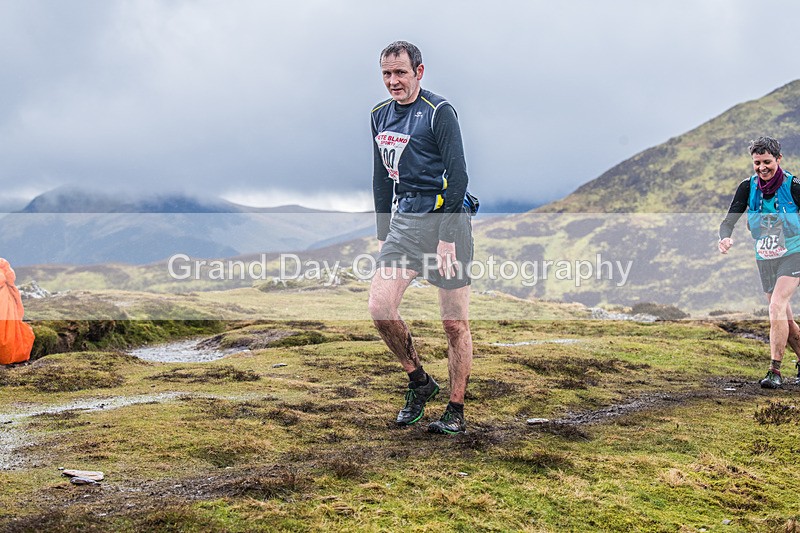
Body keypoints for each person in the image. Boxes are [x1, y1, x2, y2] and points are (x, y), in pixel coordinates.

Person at [368, 40, 474, 434]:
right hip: (404, 223)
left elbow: (459, 176)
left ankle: (455, 410)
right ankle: (419, 381)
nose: (393, 81)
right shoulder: (379, 115)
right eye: (386, 73)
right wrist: (384, 233)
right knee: (380, 307)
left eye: (400, 72)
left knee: (453, 323)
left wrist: (447, 238)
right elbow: (381, 177)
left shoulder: (439, 112)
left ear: (419, 72)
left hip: (446, 221)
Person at [719, 136, 800, 388]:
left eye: (767, 162)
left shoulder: (794, 186)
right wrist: (724, 238)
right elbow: (728, 222)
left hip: (794, 253)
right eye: (757, 163)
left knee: (776, 306)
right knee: (785, 321)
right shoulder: (747, 187)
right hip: (765, 257)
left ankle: (774, 371)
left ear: (778, 159)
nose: (762, 168)